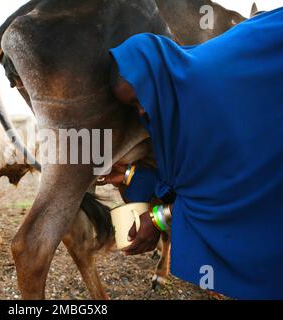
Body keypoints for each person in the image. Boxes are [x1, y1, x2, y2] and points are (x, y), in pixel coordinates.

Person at [102, 7, 283, 299]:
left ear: (157, 75)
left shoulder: (203, 97)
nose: (143, 110)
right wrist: (129, 175)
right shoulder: (174, 102)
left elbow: (227, 190)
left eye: (140, 98)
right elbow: (186, 181)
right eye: (133, 107)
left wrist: (159, 219)